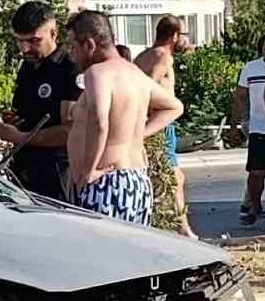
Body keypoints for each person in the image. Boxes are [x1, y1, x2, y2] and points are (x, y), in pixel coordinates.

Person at [66, 11, 182, 223]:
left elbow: (100, 120)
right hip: (137, 180)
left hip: (107, 183)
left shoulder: (98, 73)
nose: (72, 55)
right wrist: (137, 134)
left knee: (101, 253)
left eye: (73, 47)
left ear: (90, 45)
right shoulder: (135, 74)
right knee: (130, 253)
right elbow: (174, 107)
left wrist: (89, 172)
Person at [0, 1, 81, 202]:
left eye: (33, 41)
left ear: (53, 33)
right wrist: (14, 121)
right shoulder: (28, 67)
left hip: (56, 174)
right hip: (24, 171)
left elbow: (70, 130)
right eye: (20, 41)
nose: (25, 49)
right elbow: (31, 114)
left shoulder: (69, 70)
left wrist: (21, 137)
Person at [134, 15, 195, 237]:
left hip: (155, 124)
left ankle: (177, 225)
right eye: (184, 35)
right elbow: (146, 87)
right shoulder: (162, 57)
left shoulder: (144, 55)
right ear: (175, 36)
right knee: (174, 177)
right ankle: (182, 227)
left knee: (168, 177)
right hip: (159, 125)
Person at [230, 33, 265, 226]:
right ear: (261, 49)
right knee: (256, 173)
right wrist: (234, 126)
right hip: (259, 128)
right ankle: (254, 207)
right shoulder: (250, 68)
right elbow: (240, 98)